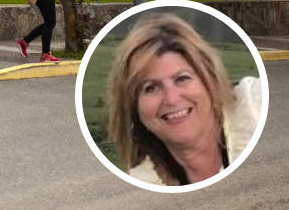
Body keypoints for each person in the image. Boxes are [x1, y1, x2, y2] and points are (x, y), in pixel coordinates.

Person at [106, 13, 262, 186]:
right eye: (151, 88)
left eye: (182, 79)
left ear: (210, 79)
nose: (171, 99)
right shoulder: (144, 180)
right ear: (134, 109)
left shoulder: (256, 106)